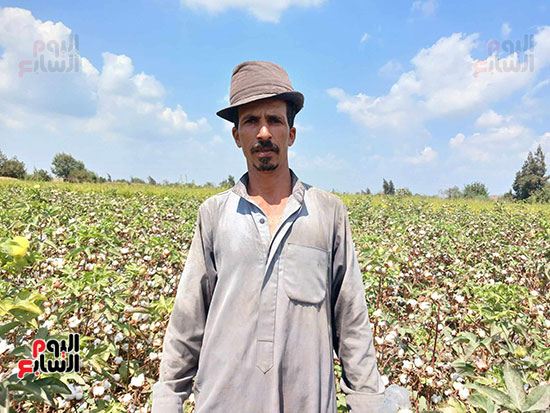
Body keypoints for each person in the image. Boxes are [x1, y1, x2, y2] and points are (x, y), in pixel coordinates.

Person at [151, 60, 386, 413]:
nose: (264, 133)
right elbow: (188, 318)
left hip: (305, 402)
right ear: (237, 136)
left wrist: (367, 402)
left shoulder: (328, 212)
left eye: (274, 120)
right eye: (251, 121)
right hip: (222, 401)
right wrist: (168, 398)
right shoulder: (214, 215)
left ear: (291, 133)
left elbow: (351, 320)